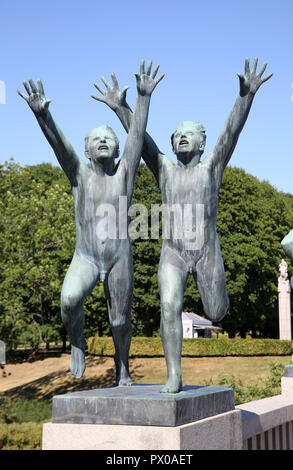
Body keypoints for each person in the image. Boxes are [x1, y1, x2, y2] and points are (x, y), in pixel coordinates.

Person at [92, 58, 272, 392]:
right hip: (173, 253)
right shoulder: (164, 170)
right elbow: (140, 140)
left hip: (206, 252)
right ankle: (174, 373)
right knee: (170, 305)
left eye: (189, 134)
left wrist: (245, 96)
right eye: (176, 135)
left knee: (216, 312)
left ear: (202, 144)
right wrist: (122, 106)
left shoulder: (211, 169)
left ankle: (219, 300)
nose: (181, 138)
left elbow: (231, 131)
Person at [18, 60, 164, 384]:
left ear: (116, 149)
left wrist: (143, 98)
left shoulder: (124, 174)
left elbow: (137, 136)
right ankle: (77, 339)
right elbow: (59, 145)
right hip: (85, 257)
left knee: (120, 322)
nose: (102, 142)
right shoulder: (79, 174)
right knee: (69, 300)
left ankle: (122, 366)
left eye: (108, 139)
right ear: (86, 150)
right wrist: (42, 115)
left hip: (118, 258)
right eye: (95, 139)